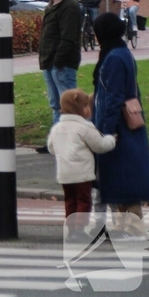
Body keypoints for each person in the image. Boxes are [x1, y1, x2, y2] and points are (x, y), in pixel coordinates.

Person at [91, 12, 149, 232]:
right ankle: (125, 226)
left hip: (118, 129)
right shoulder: (121, 53)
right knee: (124, 177)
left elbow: (113, 97)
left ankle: (130, 227)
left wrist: (107, 132)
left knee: (120, 177)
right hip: (124, 126)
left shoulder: (114, 57)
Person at [46, 89, 117, 221]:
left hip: (64, 173)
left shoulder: (57, 128)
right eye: (86, 106)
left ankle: (71, 229)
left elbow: (51, 148)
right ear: (78, 109)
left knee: (70, 201)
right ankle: (79, 229)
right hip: (82, 174)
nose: (89, 110)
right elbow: (100, 145)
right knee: (83, 201)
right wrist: (111, 139)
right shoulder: (85, 127)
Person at [38, 0, 82, 146]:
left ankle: (74, 139)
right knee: (56, 104)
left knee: (69, 104)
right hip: (50, 62)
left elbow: (68, 36)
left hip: (61, 63)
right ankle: (58, 141)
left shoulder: (69, 7)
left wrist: (58, 60)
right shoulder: (52, 6)